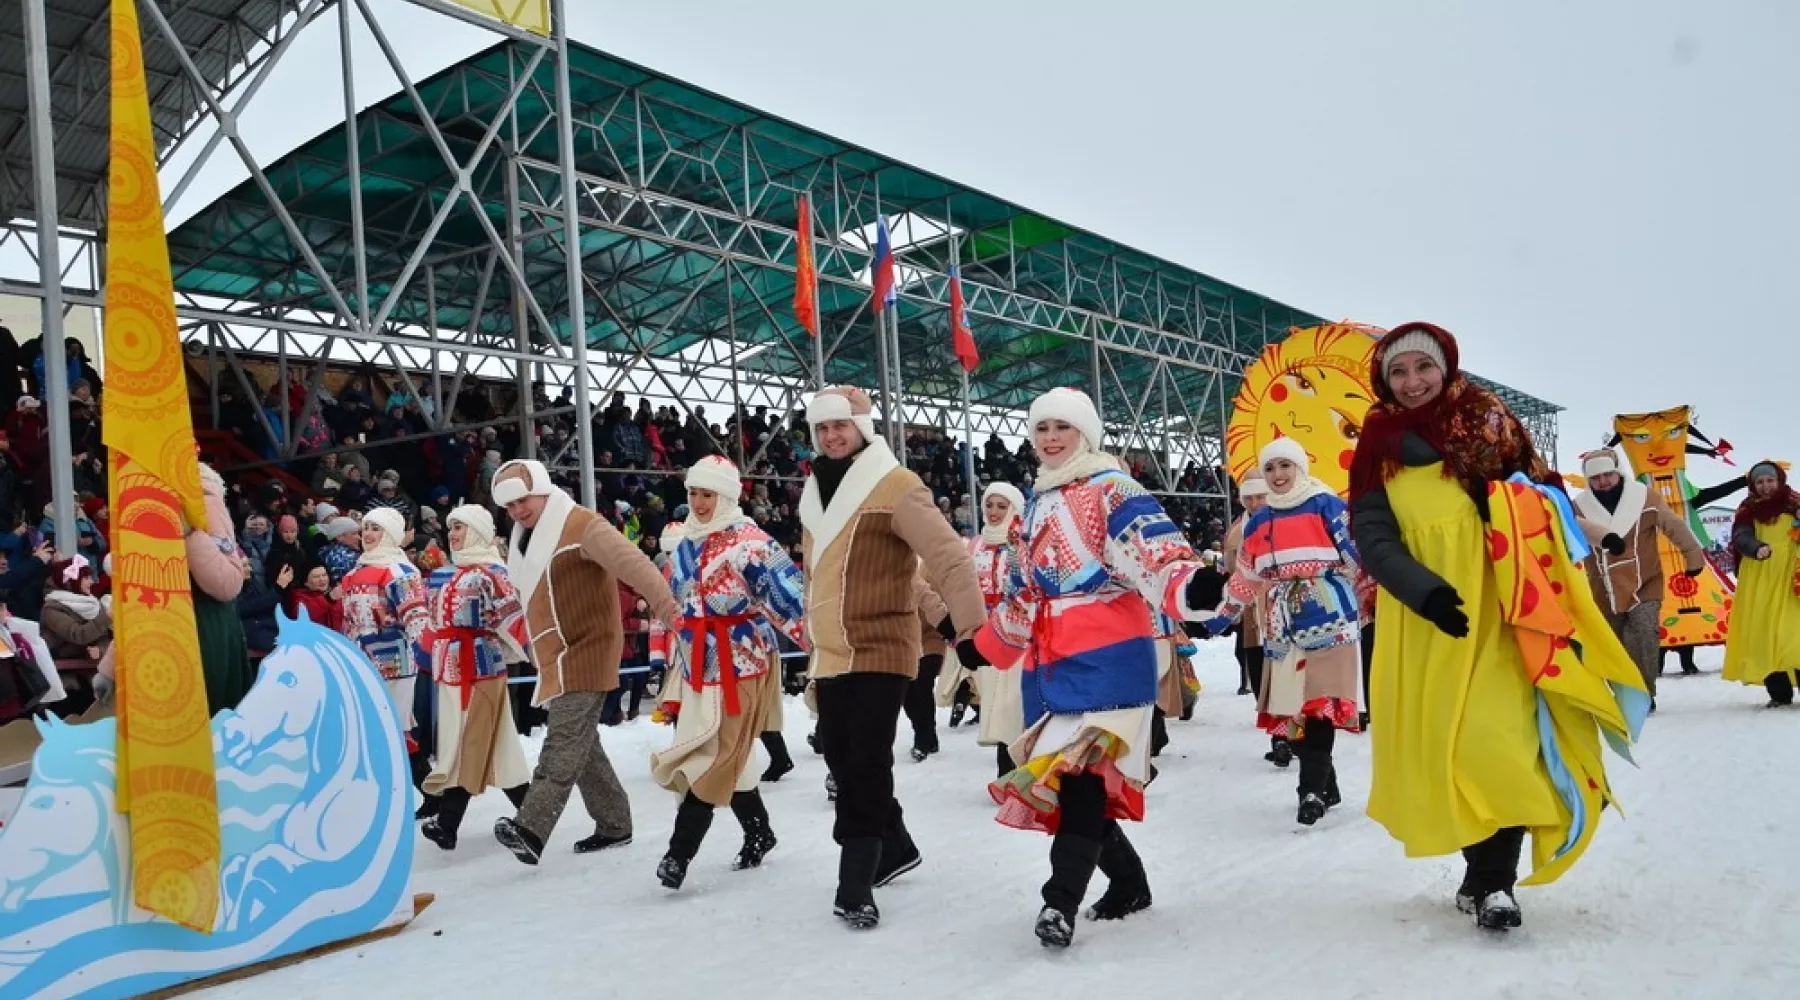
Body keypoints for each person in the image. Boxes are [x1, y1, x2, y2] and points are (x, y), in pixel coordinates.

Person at [1349, 322, 1645, 932]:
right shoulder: (1375, 443)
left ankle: (1496, 886)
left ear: (1446, 367)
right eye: (1397, 372)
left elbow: (1547, 497)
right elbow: (1372, 534)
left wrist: (1508, 501)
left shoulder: (1490, 422)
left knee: (1499, 741)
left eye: (1422, 368)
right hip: (1428, 619)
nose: (1411, 382)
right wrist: (1421, 589)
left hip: (1506, 606)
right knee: (1447, 750)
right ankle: (1478, 874)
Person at [957, 387, 1211, 949]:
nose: (1050, 437)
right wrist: (987, 645)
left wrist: (1197, 584)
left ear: (1086, 434)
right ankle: (1130, 885)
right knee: (1078, 787)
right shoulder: (1036, 503)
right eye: (1042, 427)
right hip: (1050, 666)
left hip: (1110, 659)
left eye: (1062, 428)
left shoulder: (1114, 488)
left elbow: (1158, 554)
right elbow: (1022, 595)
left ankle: (1059, 902)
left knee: (1078, 782)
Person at [799, 386, 985, 930]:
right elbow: (824, 579)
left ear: (864, 427)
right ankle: (896, 845)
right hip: (832, 650)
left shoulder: (897, 485)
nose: (832, 436)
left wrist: (968, 624)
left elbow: (946, 557)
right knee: (840, 757)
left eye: (842, 426)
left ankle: (854, 881)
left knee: (865, 763)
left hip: (883, 646)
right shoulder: (815, 493)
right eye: (822, 428)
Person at [490, 459, 677, 865]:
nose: (518, 511)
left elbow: (635, 564)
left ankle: (531, 827)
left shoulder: (581, 526)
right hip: (555, 652)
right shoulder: (524, 534)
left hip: (588, 648)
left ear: (542, 488)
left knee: (563, 739)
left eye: (523, 500)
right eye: (510, 506)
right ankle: (614, 823)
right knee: (582, 742)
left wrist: (667, 609)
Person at [647, 457, 807, 889]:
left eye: (707, 494)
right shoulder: (684, 545)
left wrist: (824, 648)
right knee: (723, 751)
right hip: (699, 664)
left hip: (741, 661)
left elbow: (790, 597)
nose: (698, 503)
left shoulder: (751, 542)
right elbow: (681, 607)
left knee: (716, 753)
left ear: (727, 496)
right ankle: (759, 831)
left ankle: (678, 854)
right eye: (693, 493)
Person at [1201, 439, 1362, 825]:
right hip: (1281, 623)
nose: (1278, 475)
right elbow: (1247, 576)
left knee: (1318, 706)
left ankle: (1309, 792)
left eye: (1285, 466)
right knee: (1292, 709)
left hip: (1330, 618)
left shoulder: (1327, 506)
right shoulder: (1258, 523)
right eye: (1270, 468)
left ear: (1301, 467)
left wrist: (1367, 585)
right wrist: (1225, 614)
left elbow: (1360, 553)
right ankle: (1326, 783)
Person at [418, 505, 532, 851]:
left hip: (481, 669)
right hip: (450, 672)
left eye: (460, 528)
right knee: (494, 747)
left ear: (479, 532)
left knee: (470, 741)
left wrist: (535, 655)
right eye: (450, 527)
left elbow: (515, 621)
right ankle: (535, 814)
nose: (452, 534)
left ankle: (448, 823)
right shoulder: (447, 573)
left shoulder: (492, 572)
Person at [1571, 446, 1705, 707]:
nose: (1603, 482)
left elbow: (1674, 526)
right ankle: (1623, 692)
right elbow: (1572, 531)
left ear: (1617, 473)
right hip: (1603, 587)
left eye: (1607, 475)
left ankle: (1644, 693)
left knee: (1644, 633)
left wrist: (1692, 555)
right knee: (1614, 642)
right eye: (1596, 478)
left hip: (1645, 582)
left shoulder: (1644, 498)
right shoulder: (1579, 507)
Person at [338, 507, 431, 806]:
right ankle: (418, 795)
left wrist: (427, 654)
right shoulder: (352, 573)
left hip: (396, 664)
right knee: (374, 731)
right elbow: (348, 622)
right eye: (365, 528)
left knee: (394, 730)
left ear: (390, 534)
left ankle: (413, 795)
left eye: (376, 528)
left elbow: (416, 617)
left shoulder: (399, 571)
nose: (368, 534)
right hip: (362, 665)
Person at [1721, 460, 1800, 706]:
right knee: (1763, 633)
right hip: (1761, 577)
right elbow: (1740, 537)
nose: (1766, 486)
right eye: (1760, 482)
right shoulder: (1747, 510)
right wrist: (1757, 548)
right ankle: (1779, 694)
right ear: (1753, 486)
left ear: (1779, 481)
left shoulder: (1795, 504)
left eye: (1770, 481)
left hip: (1791, 577)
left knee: (1792, 632)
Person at [968, 483, 1029, 778]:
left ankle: (1011, 772)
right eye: (989, 505)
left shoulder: (1022, 543)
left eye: (1001, 506)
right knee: (994, 701)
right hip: (986, 636)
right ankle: (1008, 768)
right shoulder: (974, 545)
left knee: (1013, 702)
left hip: (1020, 634)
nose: (994, 512)